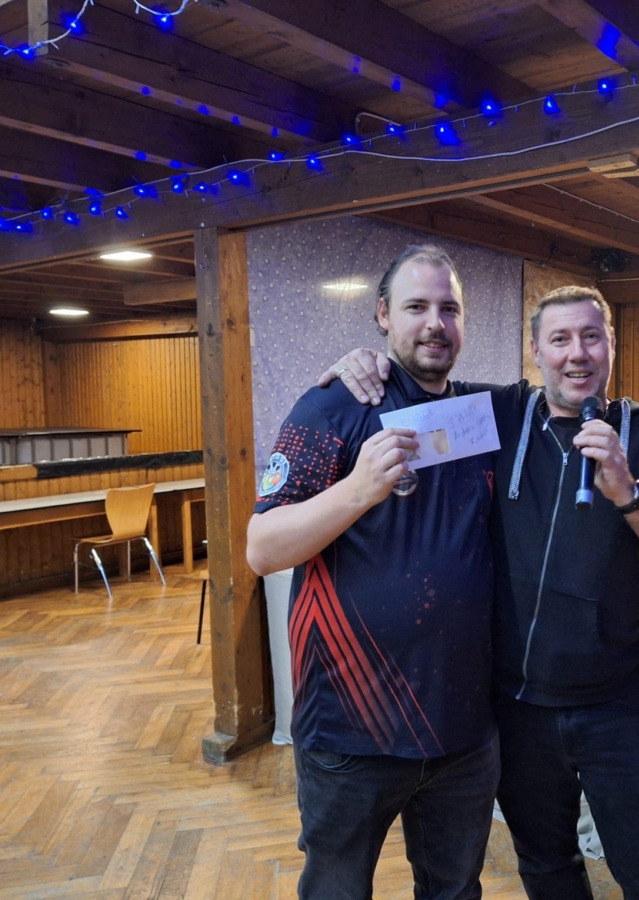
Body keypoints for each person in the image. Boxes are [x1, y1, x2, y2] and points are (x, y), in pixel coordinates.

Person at [322, 285, 639, 900]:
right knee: (545, 867)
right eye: (559, 339)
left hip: (617, 708)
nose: (576, 353)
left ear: (611, 345)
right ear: (536, 351)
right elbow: (409, 402)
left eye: (591, 337)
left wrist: (630, 494)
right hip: (515, 710)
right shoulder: (497, 416)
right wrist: (365, 363)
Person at [246, 245, 500, 900]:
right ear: (383, 315)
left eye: (449, 308)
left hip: (462, 732)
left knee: (455, 891)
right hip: (349, 734)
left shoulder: (480, 416)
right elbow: (262, 548)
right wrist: (358, 489)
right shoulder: (332, 406)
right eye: (416, 307)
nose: (435, 323)